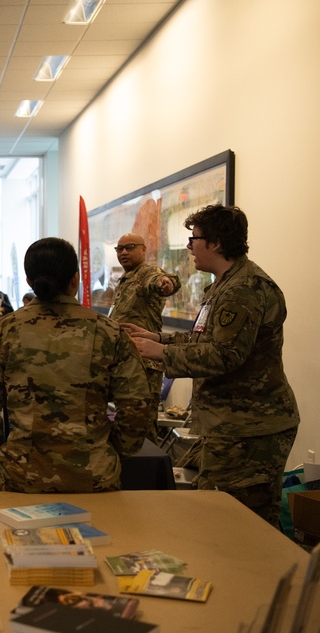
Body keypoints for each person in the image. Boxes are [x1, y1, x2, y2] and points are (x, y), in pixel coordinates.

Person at [127, 204, 300, 526]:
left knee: (239, 524)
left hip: (250, 427)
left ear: (216, 243)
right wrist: (158, 340)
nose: (190, 247)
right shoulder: (225, 285)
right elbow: (205, 340)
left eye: (194, 239)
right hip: (230, 423)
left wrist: (161, 354)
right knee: (219, 515)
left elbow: (224, 356)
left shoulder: (242, 290)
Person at [0, 237, 152, 493]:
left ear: (30, 281)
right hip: (93, 477)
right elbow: (137, 402)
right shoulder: (109, 332)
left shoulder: (4, 331)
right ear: (75, 279)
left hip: (21, 476)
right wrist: (116, 451)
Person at [107, 232, 181, 438]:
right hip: (126, 360)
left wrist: (165, 283)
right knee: (127, 422)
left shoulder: (146, 273)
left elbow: (159, 280)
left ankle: (148, 468)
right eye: (119, 249)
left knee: (143, 424)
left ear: (143, 249)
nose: (123, 252)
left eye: (129, 247)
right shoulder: (125, 278)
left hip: (143, 363)